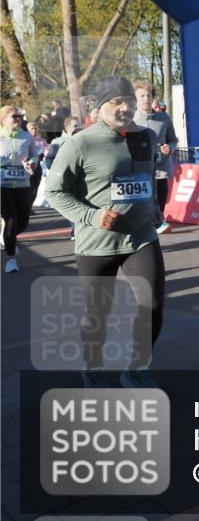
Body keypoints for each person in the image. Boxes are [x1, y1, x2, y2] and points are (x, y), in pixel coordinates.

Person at [46, 77, 166, 389]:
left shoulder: (146, 137)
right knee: (97, 314)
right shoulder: (80, 143)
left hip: (141, 238)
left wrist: (152, 203)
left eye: (128, 100)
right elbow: (55, 192)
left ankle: (136, 370)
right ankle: (93, 368)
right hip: (96, 243)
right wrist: (91, 214)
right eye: (117, 102)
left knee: (152, 306)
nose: (126, 107)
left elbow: (147, 174)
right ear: (100, 108)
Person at [132, 81, 178, 234]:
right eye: (142, 96)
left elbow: (173, 140)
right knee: (146, 200)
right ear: (135, 99)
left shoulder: (163, 118)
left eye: (149, 95)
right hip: (139, 169)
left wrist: (169, 148)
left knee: (162, 197)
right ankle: (153, 226)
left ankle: (156, 223)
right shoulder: (130, 119)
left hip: (161, 168)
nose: (146, 98)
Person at [1, 106, 40, 272]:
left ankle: (10, 239)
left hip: (23, 184)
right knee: (10, 219)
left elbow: (35, 156)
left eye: (19, 115)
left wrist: (32, 162)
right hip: (2, 186)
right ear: (3, 119)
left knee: (23, 221)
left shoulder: (26, 137)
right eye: (14, 116)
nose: (18, 119)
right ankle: (10, 259)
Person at [25, 120, 50, 207]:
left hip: (37, 166)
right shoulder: (25, 140)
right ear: (27, 130)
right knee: (27, 188)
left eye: (36, 128)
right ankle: (26, 206)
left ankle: (30, 206)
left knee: (35, 188)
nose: (34, 130)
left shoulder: (42, 140)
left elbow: (47, 151)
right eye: (32, 129)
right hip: (27, 167)